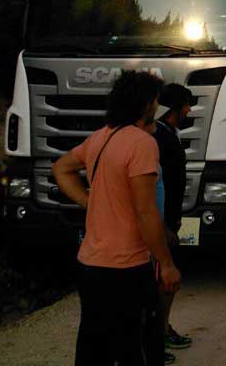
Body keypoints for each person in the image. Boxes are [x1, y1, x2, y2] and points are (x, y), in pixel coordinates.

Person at [53, 70, 181, 366]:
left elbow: (61, 168)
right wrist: (166, 263)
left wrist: (89, 201)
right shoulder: (142, 144)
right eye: (156, 101)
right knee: (139, 349)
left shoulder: (100, 137)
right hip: (127, 270)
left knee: (94, 347)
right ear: (146, 104)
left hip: (90, 265)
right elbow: (146, 213)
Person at [154, 82, 196, 352]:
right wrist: (164, 225)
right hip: (161, 224)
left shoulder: (168, 133)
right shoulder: (160, 138)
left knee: (166, 282)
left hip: (168, 221)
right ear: (176, 108)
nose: (190, 110)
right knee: (162, 282)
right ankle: (155, 338)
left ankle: (161, 330)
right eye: (186, 105)